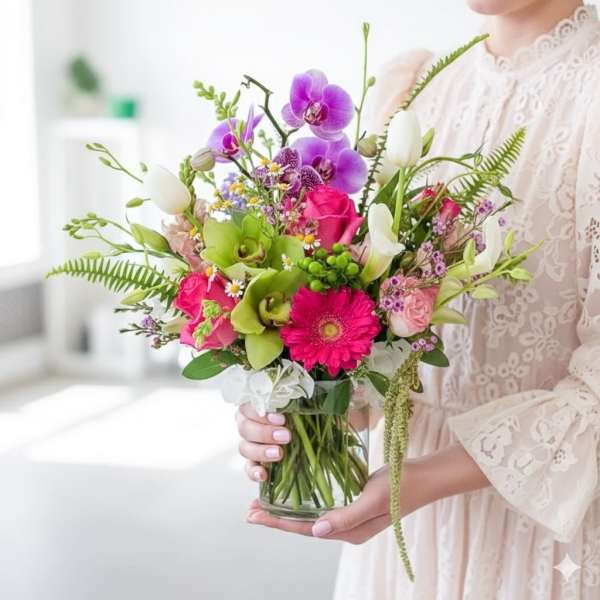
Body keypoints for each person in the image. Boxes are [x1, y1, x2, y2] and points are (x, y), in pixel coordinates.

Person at [236, 1, 600, 597]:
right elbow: (375, 346)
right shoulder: (416, 87)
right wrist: (302, 411)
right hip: (401, 534)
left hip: (543, 538)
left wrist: (421, 481)